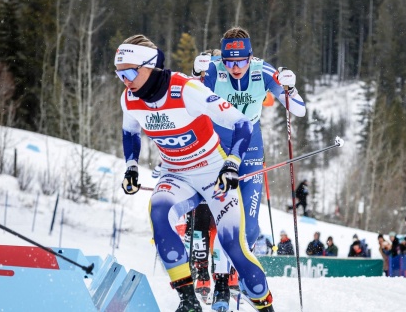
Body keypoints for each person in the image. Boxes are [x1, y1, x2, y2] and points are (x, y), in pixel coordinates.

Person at [115, 35, 274, 311]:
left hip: (212, 172)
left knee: (232, 244)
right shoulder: (129, 99)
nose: (126, 80)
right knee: (158, 213)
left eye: (129, 72)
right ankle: (189, 302)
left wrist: (232, 163)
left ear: (150, 66)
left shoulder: (186, 89)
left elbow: (242, 124)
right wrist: (131, 166)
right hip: (176, 174)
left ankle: (263, 303)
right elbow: (130, 131)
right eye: (119, 75)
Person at [192, 27, 306, 304]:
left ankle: (235, 273)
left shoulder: (262, 71)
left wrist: (290, 89)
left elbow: (299, 109)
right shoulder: (214, 69)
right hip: (217, 148)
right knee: (223, 219)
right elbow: (188, 100)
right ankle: (220, 282)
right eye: (229, 62)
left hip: (251, 147)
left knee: (251, 229)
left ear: (250, 57)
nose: (235, 68)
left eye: (240, 61)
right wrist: (195, 76)